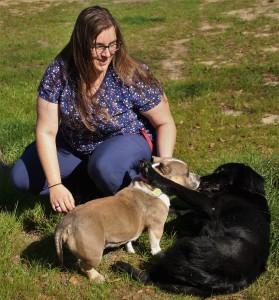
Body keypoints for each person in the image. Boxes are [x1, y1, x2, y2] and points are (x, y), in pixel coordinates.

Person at [10, 5, 176, 213]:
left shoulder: (130, 72)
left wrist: (163, 169)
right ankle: (85, 183)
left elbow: (165, 122)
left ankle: (139, 201)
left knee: (105, 167)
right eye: (98, 46)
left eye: (112, 45)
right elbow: (46, 130)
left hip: (125, 139)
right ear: (80, 45)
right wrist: (55, 185)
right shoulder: (60, 71)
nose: (107, 54)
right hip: (76, 143)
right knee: (22, 178)